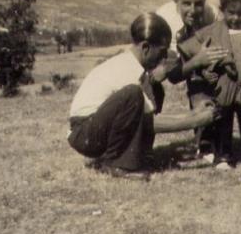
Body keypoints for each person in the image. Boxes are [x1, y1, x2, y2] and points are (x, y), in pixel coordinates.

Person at [68, 12, 217, 180]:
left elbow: (149, 115)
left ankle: (138, 156)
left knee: (154, 89)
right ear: (145, 48)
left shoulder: (133, 65)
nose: (163, 58)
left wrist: (195, 112)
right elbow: (150, 123)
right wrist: (197, 120)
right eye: (162, 51)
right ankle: (117, 164)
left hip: (93, 128)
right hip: (84, 132)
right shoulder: (128, 70)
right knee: (133, 94)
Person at [178, 0, 241, 169]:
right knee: (223, 120)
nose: (235, 18)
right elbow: (203, 56)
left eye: (240, 13)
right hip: (224, 86)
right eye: (231, 13)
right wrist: (206, 72)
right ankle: (224, 155)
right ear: (222, 10)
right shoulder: (216, 32)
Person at [154, 0, 229, 161]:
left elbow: (218, 49)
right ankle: (142, 138)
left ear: (205, 0)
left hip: (197, 53)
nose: (193, 10)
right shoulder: (164, 21)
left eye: (198, 4)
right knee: (153, 83)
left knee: (205, 80)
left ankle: (206, 140)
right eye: (186, 3)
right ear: (175, 2)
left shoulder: (213, 15)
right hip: (166, 61)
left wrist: (206, 66)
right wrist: (198, 61)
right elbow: (171, 74)